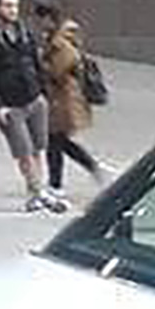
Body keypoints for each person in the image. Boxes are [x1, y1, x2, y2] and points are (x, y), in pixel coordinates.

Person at [0, 0, 65, 213]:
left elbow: (36, 63)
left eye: (15, 6)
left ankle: (34, 194)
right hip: (10, 104)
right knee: (23, 151)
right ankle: (40, 193)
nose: (13, 10)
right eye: (8, 6)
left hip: (34, 98)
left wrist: (43, 94)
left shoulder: (25, 31)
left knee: (38, 148)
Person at [43, 19, 105, 195]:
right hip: (65, 100)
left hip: (64, 101)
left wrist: (44, 67)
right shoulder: (68, 42)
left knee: (55, 141)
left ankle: (57, 184)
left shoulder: (62, 46)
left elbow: (57, 72)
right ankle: (87, 167)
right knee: (57, 141)